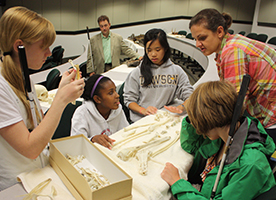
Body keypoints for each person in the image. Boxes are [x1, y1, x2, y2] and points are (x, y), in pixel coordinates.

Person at [0, 6, 85, 190]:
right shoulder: (1, 88)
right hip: (16, 185)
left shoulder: (24, 78)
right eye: (43, 46)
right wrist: (61, 100)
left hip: (38, 174)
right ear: (19, 46)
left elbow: (38, 130)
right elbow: (31, 148)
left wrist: (61, 90)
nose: (49, 53)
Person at [161, 81, 276, 199]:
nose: (197, 128)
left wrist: (177, 183)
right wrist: (194, 116)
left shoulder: (250, 165)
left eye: (197, 123)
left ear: (210, 120)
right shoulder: (223, 134)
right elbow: (191, 146)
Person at [189, 8, 276, 143]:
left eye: (202, 38)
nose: (197, 44)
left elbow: (234, 102)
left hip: (271, 117)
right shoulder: (230, 43)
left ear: (219, 31)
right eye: (195, 39)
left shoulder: (232, 51)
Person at [123, 28, 194, 122]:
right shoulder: (137, 73)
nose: (153, 54)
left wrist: (181, 107)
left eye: (157, 50)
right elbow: (129, 101)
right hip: (142, 120)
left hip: (166, 119)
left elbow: (190, 96)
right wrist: (143, 110)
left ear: (165, 49)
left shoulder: (176, 71)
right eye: (149, 50)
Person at [71, 74, 129, 149]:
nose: (117, 95)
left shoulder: (117, 109)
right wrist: (92, 140)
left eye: (115, 91)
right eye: (111, 93)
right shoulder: (82, 114)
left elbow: (126, 132)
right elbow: (76, 144)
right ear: (98, 99)